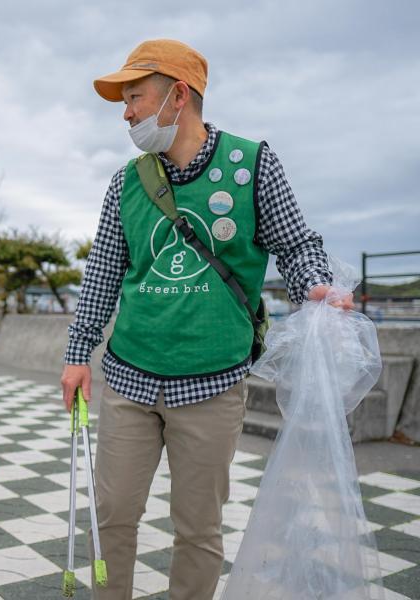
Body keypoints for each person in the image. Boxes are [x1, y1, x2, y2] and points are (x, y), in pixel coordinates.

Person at [60, 39, 351, 600]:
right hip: (130, 377)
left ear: (178, 95)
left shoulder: (251, 163)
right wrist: (77, 354)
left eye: (135, 98)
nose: (126, 113)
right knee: (112, 515)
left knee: (197, 529)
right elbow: (101, 274)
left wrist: (314, 283)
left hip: (213, 383)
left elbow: (296, 245)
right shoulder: (127, 182)